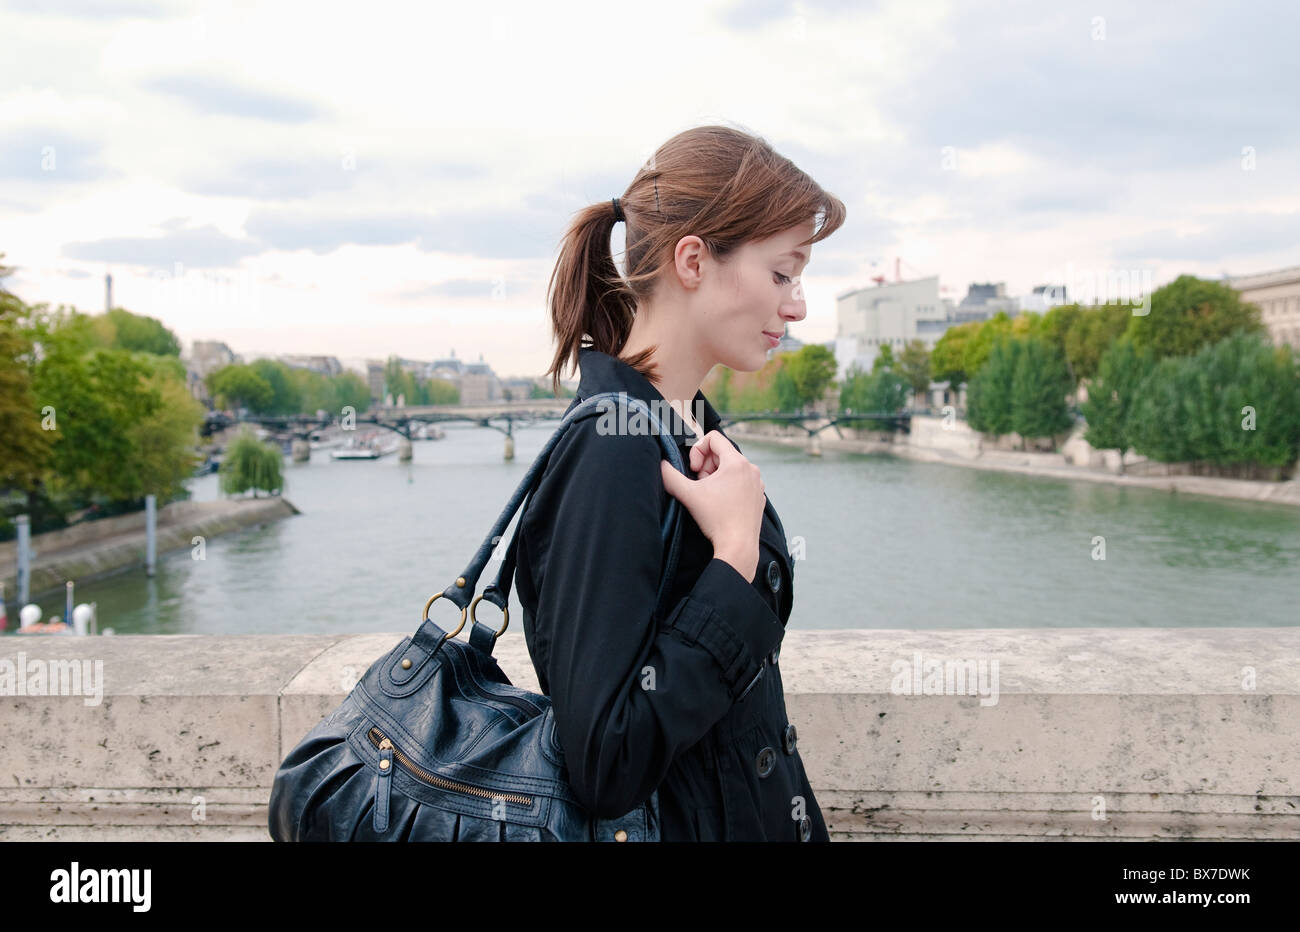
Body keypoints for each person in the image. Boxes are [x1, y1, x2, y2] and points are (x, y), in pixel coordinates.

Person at [514, 124, 845, 841]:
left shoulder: (679, 426)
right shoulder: (613, 447)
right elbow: (607, 761)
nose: (797, 306)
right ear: (693, 260)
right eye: (783, 273)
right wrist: (732, 559)